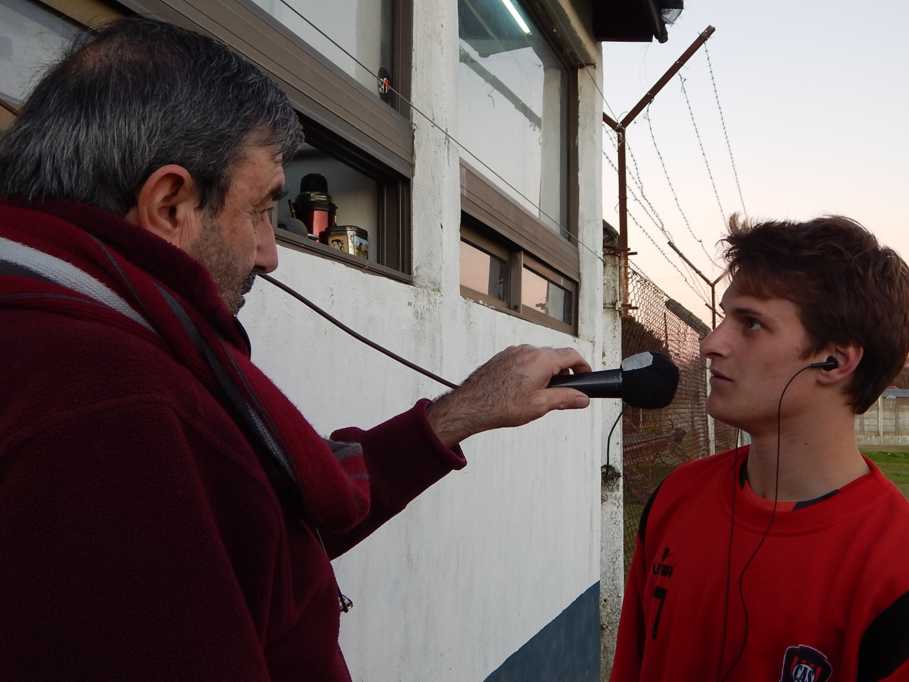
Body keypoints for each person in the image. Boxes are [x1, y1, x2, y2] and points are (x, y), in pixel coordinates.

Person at [0, 18, 592, 681]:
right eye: (259, 210)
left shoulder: (67, 328)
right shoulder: (111, 410)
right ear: (170, 205)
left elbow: (262, 526)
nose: (271, 253)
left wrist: (456, 416)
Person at [610, 215, 909, 681]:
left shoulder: (894, 567)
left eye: (750, 323)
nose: (711, 343)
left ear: (835, 360)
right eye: (724, 317)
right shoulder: (677, 497)